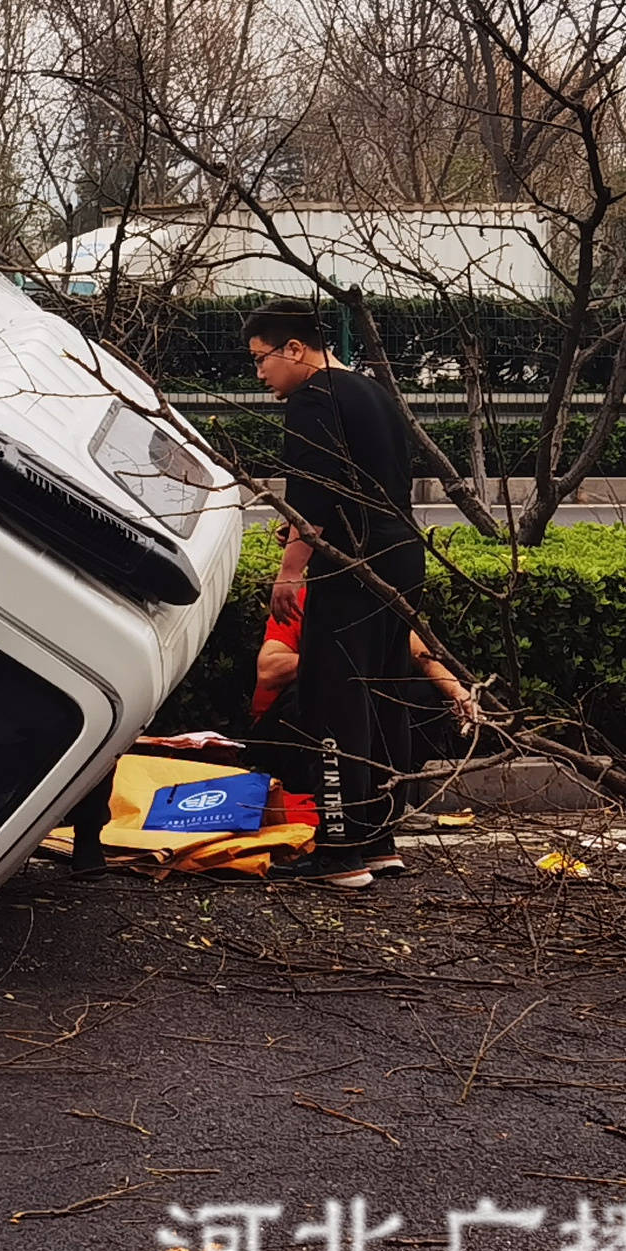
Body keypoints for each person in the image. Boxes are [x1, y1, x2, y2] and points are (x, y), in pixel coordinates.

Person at [246, 301, 428, 889]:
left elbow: (313, 492)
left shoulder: (314, 398)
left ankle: (342, 850)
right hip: (399, 553)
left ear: (293, 349)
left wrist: (290, 570)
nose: (259, 374)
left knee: (333, 697)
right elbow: (369, 481)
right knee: (382, 692)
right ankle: (380, 838)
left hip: (349, 565)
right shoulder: (371, 391)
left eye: (261, 359)